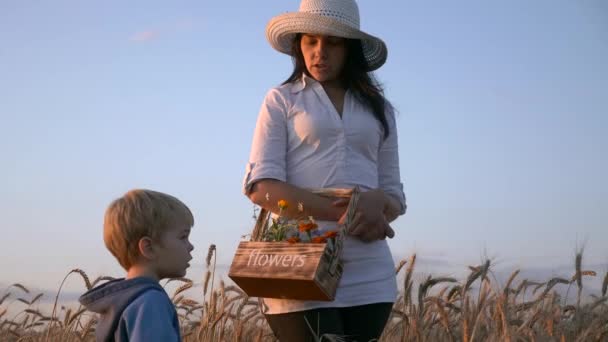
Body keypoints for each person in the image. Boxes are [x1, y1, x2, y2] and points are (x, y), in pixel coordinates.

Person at [242, 0, 407, 340]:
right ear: (298, 44)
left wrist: (380, 208)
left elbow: (394, 195)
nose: (320, 52)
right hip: (297, 261)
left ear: (351, 49)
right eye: (311, 41)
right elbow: (261, 187)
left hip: (369, 269)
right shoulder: (282, 99)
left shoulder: (381, 110)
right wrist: (348, 209)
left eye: (333, 42)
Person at [79, 189, 195, 342]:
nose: (190, 246)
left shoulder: (117, 304)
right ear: (148, 247)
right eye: (183, 237)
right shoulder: (151, 302)